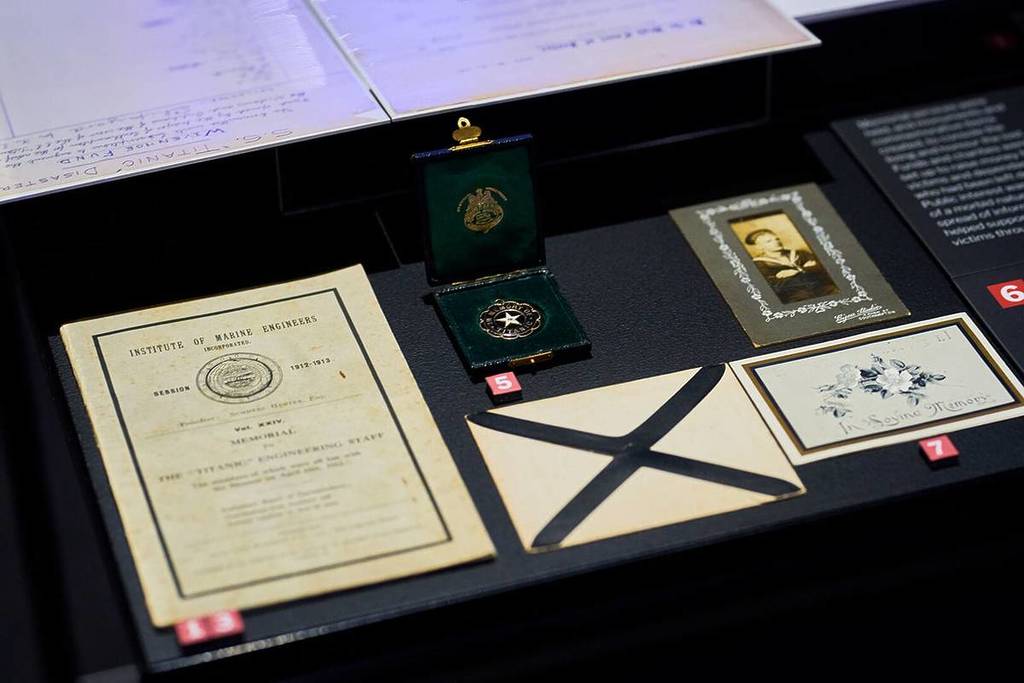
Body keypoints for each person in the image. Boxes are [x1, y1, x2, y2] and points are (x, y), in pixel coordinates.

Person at [744, 228, 837, 303]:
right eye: (769, 241)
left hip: (823, 288)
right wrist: (808, 269)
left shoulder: (800, 254)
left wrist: (798, 271)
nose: (776, 242)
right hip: (795, 297)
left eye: (777, 239)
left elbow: (825, 268)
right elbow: (774, 286)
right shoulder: (758, 264)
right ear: (759, 247)